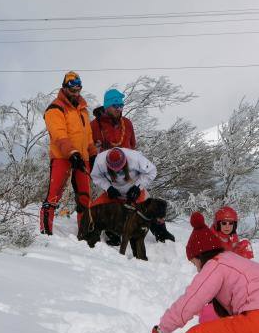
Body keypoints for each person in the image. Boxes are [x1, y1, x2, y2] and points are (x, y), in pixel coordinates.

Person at [90, 88, 174, 244]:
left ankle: (160, 231)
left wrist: (137, 186)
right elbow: (89, 150)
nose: (119, 108)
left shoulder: (127, 123)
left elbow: (133, 145)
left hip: (130, 174)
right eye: (115, 105)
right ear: (107, 106)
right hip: (110, 176)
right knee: (104, 207)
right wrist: (108, 187)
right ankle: (112, 232)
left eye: (121, 105)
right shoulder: (94, 125)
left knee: (147, 203)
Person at [40, 71, 97, 235]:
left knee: (85, 197)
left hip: (82, 158)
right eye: (72, 89)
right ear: (64, 88)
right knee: (54, 195)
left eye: (78, 89)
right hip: (62, 157)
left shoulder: (83, 111)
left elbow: (88, 137)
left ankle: (85, 233)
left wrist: (92, 154)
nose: (75, 92)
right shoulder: (55, 108)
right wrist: (72, 153)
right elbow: (59, 135)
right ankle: (45, 232)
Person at [89, 147, 156, 246]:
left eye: (120, 168)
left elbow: (152, 171)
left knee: (146, 211)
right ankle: (112, 234)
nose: (118, 171)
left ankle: (160, 233)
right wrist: (108, 188)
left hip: (134, 191)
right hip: (114, 192)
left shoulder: (135, 158)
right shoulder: (100, 161)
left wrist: (138, 187)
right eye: (114, 170)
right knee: (94, 210)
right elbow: (95, 176)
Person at [198, 206, 254, 323]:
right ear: (218, 224)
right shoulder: (211, 238)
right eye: (224, 223)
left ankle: (246, 280)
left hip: (230, 271)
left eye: (230, 223)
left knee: (245, 244)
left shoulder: (232, 237)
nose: (227, 226)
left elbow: (234, 253)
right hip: (215, 273)